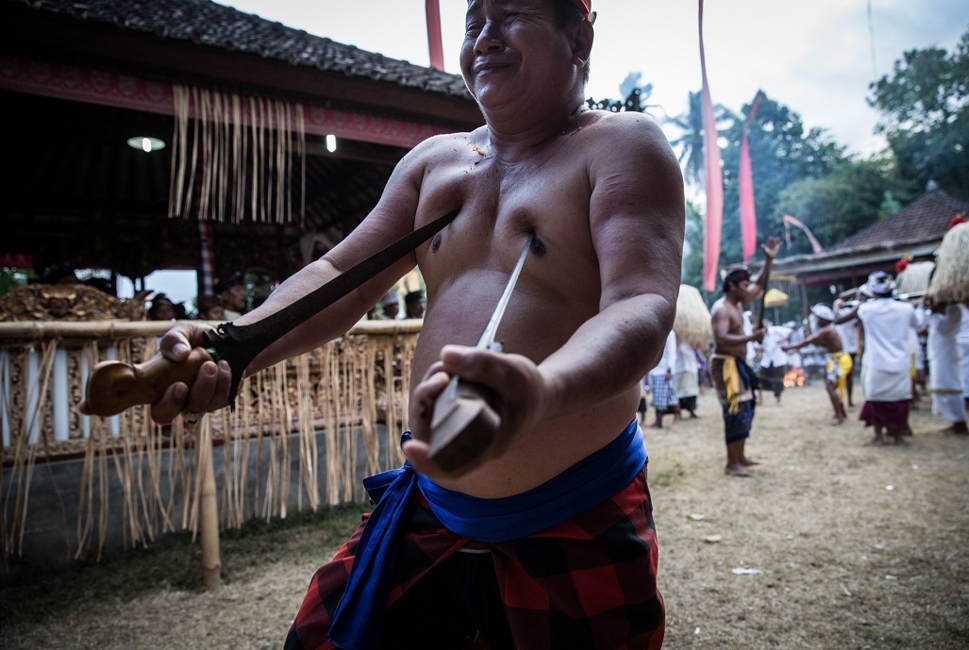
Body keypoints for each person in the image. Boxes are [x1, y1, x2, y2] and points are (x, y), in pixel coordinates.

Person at [87, 1, 685, 646]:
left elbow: (639, 307)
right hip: (433, 509)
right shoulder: (434, 162)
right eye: (473, 21)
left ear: (579, 34)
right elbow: (340, 275)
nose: (486, 36)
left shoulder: (621, 146)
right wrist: (236, 345)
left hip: (576, 510)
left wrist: (541, 392)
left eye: (511, 13)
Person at [709, 237, 782, 477]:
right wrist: (753, 338)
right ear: (732, 286)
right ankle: (732, 463)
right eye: (743, 285)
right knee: (735, 409)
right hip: (725, 364)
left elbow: (760, 286)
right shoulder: (722, 309)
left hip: (737, 363)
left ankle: (740, 456)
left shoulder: (739, 303)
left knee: (747, 407)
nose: (747, 288)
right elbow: (721, 339)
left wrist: (768, 260)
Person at [840, 272, 920, 445]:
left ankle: (878, 436)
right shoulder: (906, 309)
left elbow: (840, 319)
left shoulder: (866, 309)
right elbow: (918, 324)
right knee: (900, 400)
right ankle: (898, 436)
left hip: (876, 363)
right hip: (901, 361)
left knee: (876, 400)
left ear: (873, 292)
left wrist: (844, 303)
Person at [782, 305, 851, 425]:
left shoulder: (826, 330)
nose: (816, 320)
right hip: (837, 359)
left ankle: (839, 415)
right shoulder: (829, 329)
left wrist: (789, 347)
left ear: (823, 319)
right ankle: (841, 413)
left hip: (838, 360)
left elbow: (807, 341)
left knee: (830, 387)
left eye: (818, 318)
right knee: (835, 386)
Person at [926, 302, 969, 434]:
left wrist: (934, 313)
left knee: (951, 388)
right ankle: (955, 420)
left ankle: (960, 421)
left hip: (947, 354)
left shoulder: (954, 310)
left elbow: (943, 328)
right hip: (940, 353)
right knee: (943, 387)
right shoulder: (947, 310)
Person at [757, 318, 793, 405]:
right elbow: (756, 345)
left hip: (778, 359)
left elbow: (790, 332)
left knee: (778, 381)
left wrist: (782, 341)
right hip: (766, 360)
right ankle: (760, 399)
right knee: (760, 380)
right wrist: (761, 348)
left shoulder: (776, 330)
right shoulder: (759, 335)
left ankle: (778, 400)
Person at [649, 329, 680, 428]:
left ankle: (676, 421)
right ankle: (658, 421)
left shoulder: (669, 333)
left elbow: (671, 352)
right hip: (655, 371)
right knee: (658, 398)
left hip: (665, 371)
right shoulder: (655, 331)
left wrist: (669, 370)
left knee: (671, 397)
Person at [833, 300, 860, 407]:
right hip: (841, 350)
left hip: (849, 350)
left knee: (848, 376)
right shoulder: (843, 314)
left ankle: (847, 400)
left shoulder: (853, 314)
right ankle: (840, 400)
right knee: (838, 377)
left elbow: (837, 320)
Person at [674, 339, 700, 418]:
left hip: (691, 369)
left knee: (692, 392)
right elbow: (683, 351)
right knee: (681, 392)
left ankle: (692, 411)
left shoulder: (691, 345)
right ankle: (679, 412)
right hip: (682, 370)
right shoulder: (680, 343)